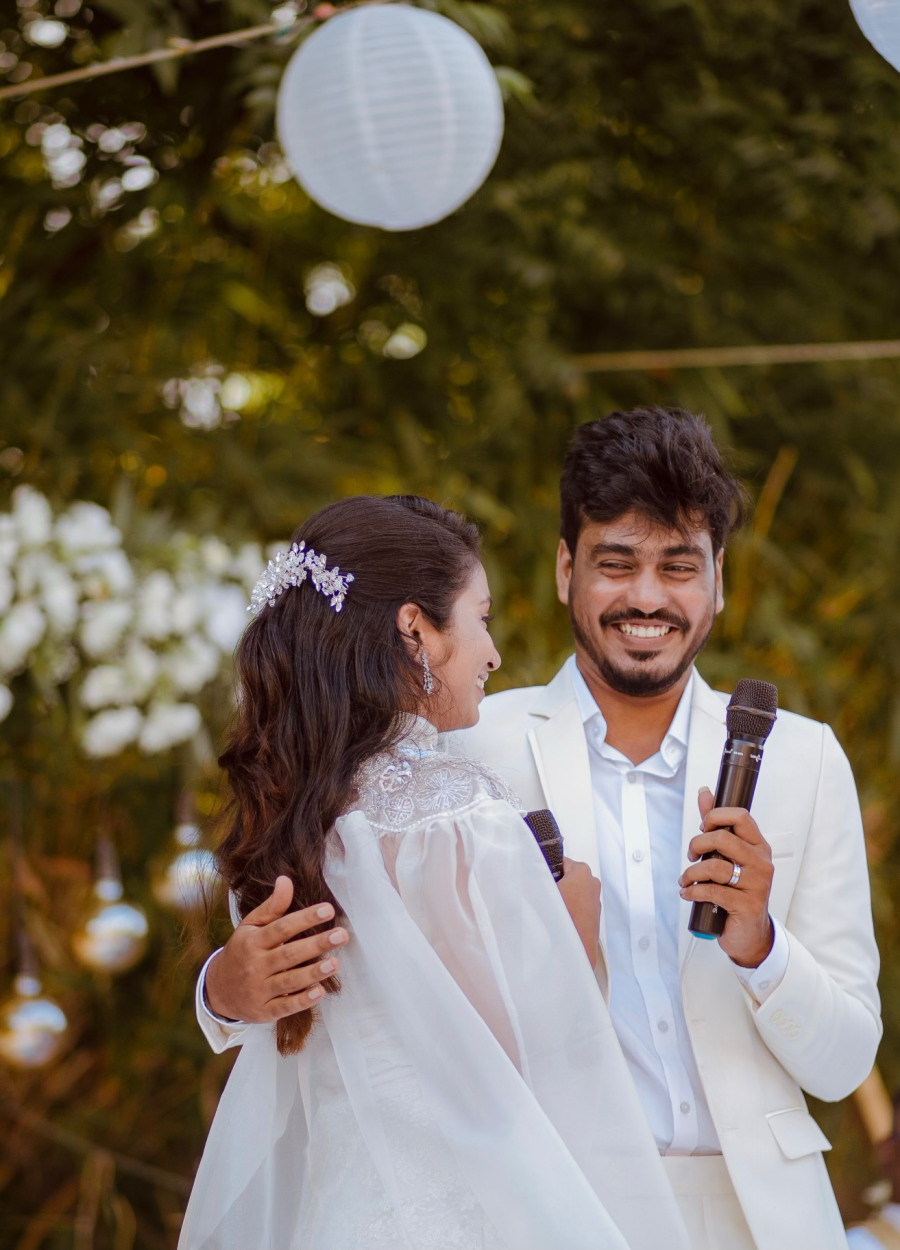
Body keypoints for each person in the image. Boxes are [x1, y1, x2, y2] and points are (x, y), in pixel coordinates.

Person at [179, 494, 692, 1250]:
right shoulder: (458, 816)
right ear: (416, 628)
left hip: (335, 1217)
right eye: (480, 618)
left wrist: (220, 993)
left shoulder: (295, 814)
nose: (492, 652)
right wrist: (574, 939)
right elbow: (501, 1076)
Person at [452, 408, 881, 1249]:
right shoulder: (473, 750)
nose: (647, 597)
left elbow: (844, 1065)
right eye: (617, 563)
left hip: (761, 1220)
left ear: (718, 581)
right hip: (553, 1210)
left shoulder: (803, 761)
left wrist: (760, 943)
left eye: (678, 567)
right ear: (565, 569)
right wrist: (226, 994)